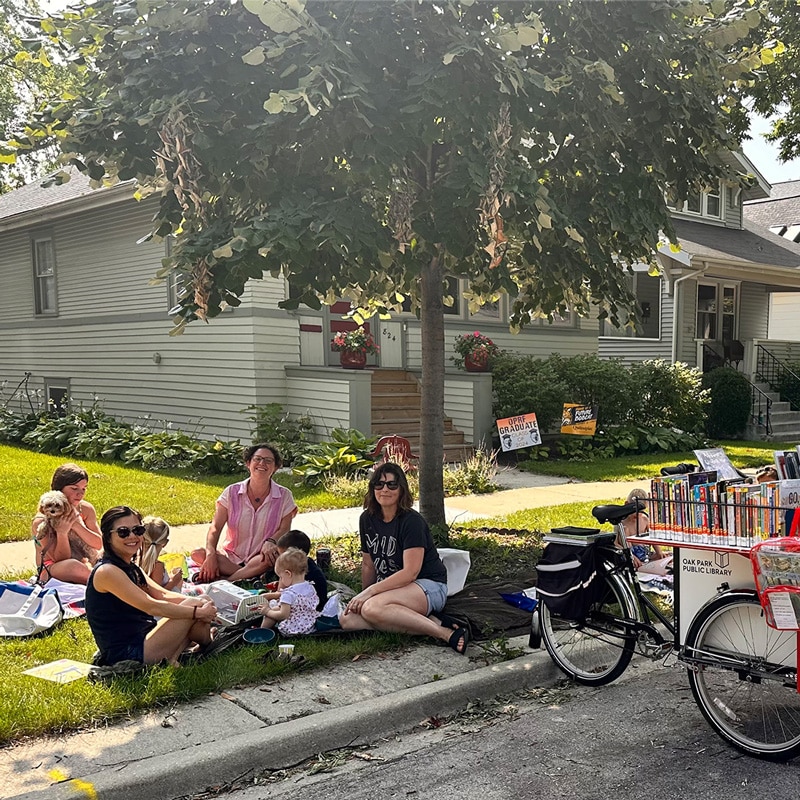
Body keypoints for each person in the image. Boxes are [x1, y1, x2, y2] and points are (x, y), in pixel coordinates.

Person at [338, 462, 469, 654]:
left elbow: (410, 572)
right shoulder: (367, 518)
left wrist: (370, 595)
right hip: (394, 589)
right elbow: (368, 564)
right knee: (347, 620)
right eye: (379, 484)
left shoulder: (411, 521)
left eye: (392, 485)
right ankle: (432, 621)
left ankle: (444, 633)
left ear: (402, 490)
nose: (385, 489)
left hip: (428, 585)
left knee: (372, 609)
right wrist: (363, 595)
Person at [85, 506, 217, 666]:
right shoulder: (107, 571)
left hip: (145, 637)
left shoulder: (130, 567)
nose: (132, 536)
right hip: (130, 652)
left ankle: (199, 645)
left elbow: (163, 595)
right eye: (123, 532)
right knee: (194, 605)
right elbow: (152, 606)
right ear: (107, 537)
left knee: (201, 599)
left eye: (138, 530)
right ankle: (202, 644)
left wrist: (202, 605)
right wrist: (197, 611)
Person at [193, 444, 297, 583]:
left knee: (269, 559)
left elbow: (285, 529)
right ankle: (248, 577)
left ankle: (227, 580)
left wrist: (271, 541)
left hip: (261, 557)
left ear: (276, 467)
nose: (262, 463)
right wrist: (211, 554)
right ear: (248, 463)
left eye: (268, 460)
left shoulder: (284, 495)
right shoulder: (231, 492)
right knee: (198, 554)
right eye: (257, 459)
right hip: (231, 557)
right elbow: (215, 528)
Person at [31, 462, 103, 585]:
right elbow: (61, 559)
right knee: (74, 566)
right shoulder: (43, 520)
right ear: (58, 489)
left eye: (84, 488)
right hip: (55, 567)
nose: (80, 494)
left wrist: (76, 525)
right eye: (74, 488)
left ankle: (106, 580)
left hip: (86, 560)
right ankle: (107, 583)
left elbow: (98, 544)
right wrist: (62, 532)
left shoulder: (85, 509)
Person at [257, 547, 320, 636]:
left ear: (288, 574)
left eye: (281, 577)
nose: (281, 581)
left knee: (274, 609)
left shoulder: (288, 594)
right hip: (309, 625)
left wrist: (267, 611)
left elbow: (283, 615)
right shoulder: (310, 587)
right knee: (276, 606)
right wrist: (271, 595)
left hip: (293, 629)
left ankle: (261, 632)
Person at [622, 488, 672, 576]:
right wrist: (631, 557)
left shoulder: (644, 520)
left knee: (669, 556)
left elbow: (652, 538)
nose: (637, 514)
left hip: (645, 554)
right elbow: (623, 546)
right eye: (634, 510)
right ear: (626, 504)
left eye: (641, 511)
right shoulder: (624, 524)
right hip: (632, 555)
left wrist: (659, 552)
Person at [274, 530, 327, 611]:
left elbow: (282, 593)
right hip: (313, 603)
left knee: (272, 609)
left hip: (309, 609)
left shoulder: (298, 571)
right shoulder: (306, 563)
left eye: (281, 555)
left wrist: (268, 596)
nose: (279, 558)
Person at [140, 517, 183, 591]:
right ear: (165, 543)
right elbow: (158, 594)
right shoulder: (157, 566)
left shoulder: (135, 560)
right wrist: (173, 581)